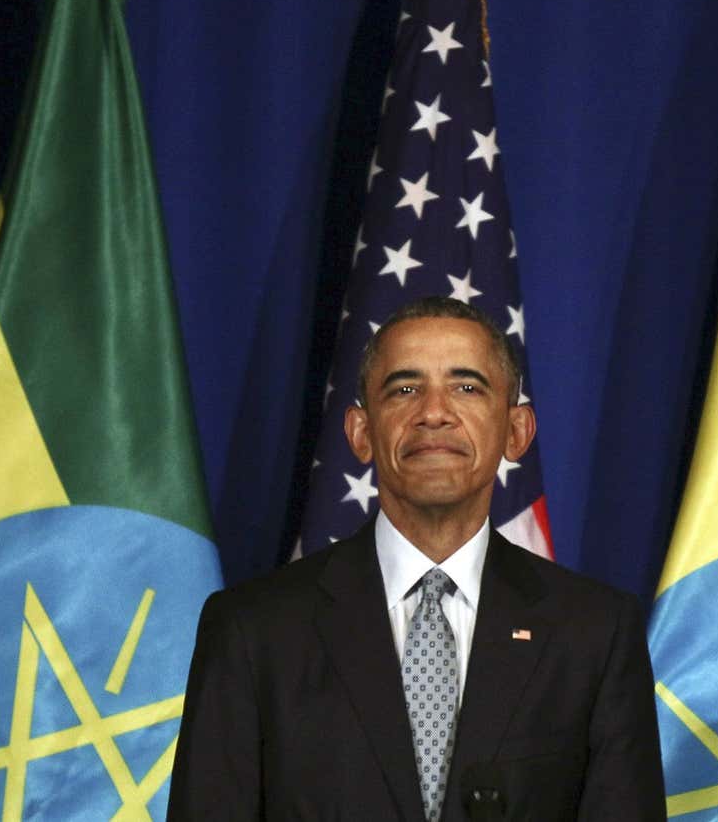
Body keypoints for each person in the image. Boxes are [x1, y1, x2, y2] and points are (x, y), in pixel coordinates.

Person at [166, 297, 665, 821]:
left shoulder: (594, 634)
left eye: (467, 387)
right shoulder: (253, 631)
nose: (433, 413)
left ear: (516, 431)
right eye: (405, 389)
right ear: (360, 433)